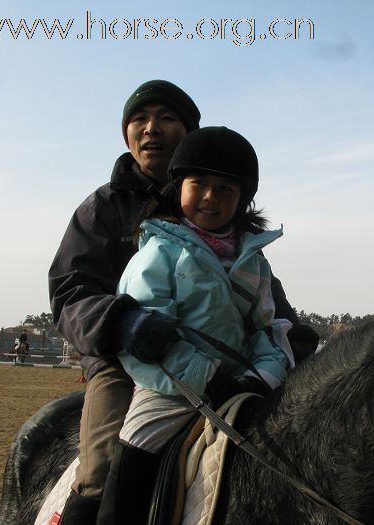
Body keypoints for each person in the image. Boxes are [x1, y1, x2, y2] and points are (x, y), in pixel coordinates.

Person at [49, 80, 318, 524]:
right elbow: (68, 292)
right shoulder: (102, 207)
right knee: (100, 469)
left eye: (166, 119)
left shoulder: (235, 234)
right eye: (140, 119)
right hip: (127, 358)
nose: (151, 128)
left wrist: (295, 348)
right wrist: (121, 322)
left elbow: (268, 307)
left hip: (232, 367)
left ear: (189, 132)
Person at [97, 126, 293, 523]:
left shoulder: (255, 262)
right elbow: (149, 334)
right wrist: (207, 377)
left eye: (225, 189)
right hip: (169, 390)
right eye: (199, 183)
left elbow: (269, 330)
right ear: (178, 186)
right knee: (132, 457)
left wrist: (260, 379)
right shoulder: (159, 252)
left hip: (241, 389)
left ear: (241, 199)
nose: (210, 197)